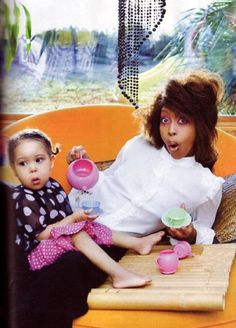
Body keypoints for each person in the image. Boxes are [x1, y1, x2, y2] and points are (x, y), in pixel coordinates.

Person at [68, 69, 225, 245]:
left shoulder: (206, 186)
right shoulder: (138, 145)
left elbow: (203, 231)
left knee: (72, 265)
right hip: (71, 214)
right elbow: (107, 181)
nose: (171, 130)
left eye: (182, 121)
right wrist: (85, 168)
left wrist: (189, 234)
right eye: (165, 120)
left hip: (113, 243)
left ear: (201, 127)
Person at [8, 129, 165, 289]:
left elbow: (72, 209)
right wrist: (74, 219)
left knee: (91, 226)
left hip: (56, 241)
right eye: (23, 163)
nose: (32, 168)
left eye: (39, 160)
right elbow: (42, 236)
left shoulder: (52, 185)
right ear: (14, 170)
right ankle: (120, 275)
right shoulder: (22, 198)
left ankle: (137, 243)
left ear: (51, 161)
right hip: (35, 255)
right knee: (76, 232)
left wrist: (80, 218)